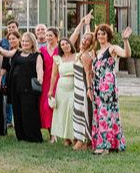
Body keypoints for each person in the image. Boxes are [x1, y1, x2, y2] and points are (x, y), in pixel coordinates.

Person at [92, 24, 131, 155]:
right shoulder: (97, 52)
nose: (100, 36)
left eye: (103, 33)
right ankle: (112, 143)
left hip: (107, 84)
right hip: (98, 84)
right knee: (101, 113)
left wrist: (125, 40)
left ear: (108, 35)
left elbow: (126, 54)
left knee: (106, 113)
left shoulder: (112, 48)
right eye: (98, 34)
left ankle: (105, 146)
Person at [5, 32, 45, 143]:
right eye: (23, 41)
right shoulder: (17, 53)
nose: (24, 43)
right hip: (16, 87)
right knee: (17, 111)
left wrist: (40, 80)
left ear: (32, 42)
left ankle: (33, 136)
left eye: (27, 41)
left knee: (29, 112)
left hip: (29, 88)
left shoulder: (37, 55)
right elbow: (6, 53)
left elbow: (39, 69)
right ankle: (21, 135)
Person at [69, 17, 96, 151]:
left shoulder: (86, 56)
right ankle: (79, 138)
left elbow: (88, 74)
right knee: (78, 113)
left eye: (87, 40)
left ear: (90, 44)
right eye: (84, 38)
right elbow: (86, 35)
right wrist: (87, 24)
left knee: (84, 112)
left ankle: (85, 140)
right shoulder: (80, 53)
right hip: (77, 87)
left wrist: (89, 89)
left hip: (84, 87)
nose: (84, 40)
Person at [48, 38, 77, 146]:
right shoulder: (57, 59)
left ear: (70, 44)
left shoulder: (77, 56)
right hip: (62, 88)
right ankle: (66, 138)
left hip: (75, 87)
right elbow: (54, 75)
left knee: (73, 111)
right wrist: (51, 90)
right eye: (63, 44)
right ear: (60, 47)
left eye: (67, 43)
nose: (65, 45)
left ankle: (75, 136)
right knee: (63, 112)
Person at [39, 28, 60, 142]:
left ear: (56, 36)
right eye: (47, 35)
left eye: (50, 35)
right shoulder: (42, 50)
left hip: (59, 80)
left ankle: (60, 133)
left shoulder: (60, 49)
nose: (48, 37)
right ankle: (52, 134)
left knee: (57, 107)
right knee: (46, 107)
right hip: (46, 80)